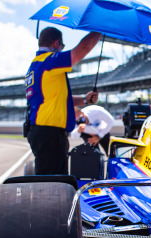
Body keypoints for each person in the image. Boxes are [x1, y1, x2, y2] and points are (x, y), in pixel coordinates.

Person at [25, 27, 102, 175]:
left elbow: (62, 100)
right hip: (49, 134)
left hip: (43, 132)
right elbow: (83, 48)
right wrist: (99, 28)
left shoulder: (36, 65)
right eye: (63, 46)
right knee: (52, 185)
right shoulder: (49, 61)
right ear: (57, 43)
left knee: (51, 180)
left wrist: (85, 100)